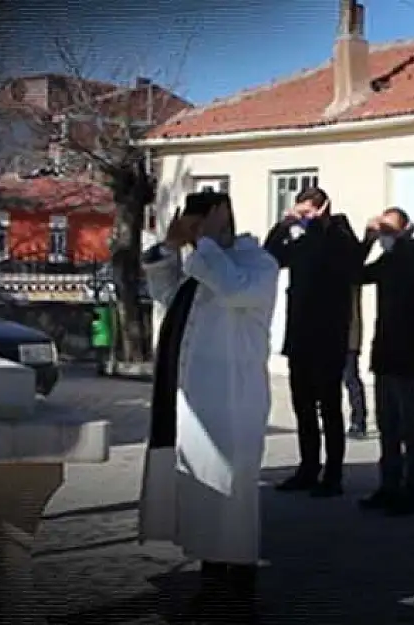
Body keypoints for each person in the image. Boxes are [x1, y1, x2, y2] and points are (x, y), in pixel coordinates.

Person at [137, 192, 279, 622]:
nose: (196, 238)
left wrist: (207, 243)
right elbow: (163, 290)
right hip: (193, 398)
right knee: (202, 495)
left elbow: (233, 291)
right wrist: (170, 245)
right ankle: (211, 583)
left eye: (203, 226)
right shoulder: (202, 266)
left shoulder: (257, 265)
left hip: (232, 400)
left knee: (231, 499)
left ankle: (238, 592)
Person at [263, 187, 363, 497]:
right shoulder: (301, 241)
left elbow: (349, 262)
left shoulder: (340, 234)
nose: (302, 219)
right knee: (303, 406)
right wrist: (282, 227)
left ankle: (332, 475)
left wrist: (318, 223)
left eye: (307, 213)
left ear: (322, 209)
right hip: (301, 335)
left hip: (329, 336)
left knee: (329, 408)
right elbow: (270, 258)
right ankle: (308, 467)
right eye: (300, 213)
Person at [355, 208, 414, 515]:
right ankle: (389, 485)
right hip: (386, 351)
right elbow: (355, 273)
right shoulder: (386, 261)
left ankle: (413, 489)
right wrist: (366, 240)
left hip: (409, 352)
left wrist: (401, 242)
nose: (385, 238)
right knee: (387, 424)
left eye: (390, 231)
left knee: (409, 424)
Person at [344, 286, 369, 439]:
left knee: (351, 379)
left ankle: (359, 420)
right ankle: (358, 420)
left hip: (348, 338)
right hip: (339, 336)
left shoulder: (350, 279)